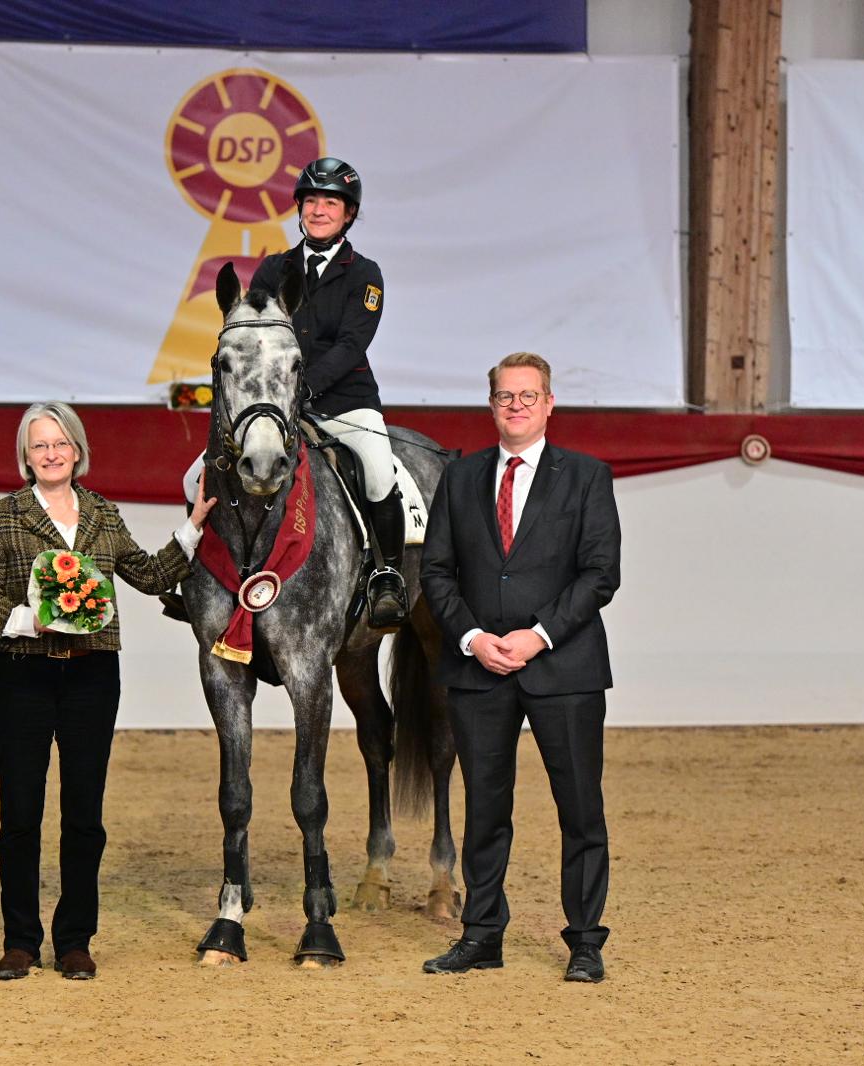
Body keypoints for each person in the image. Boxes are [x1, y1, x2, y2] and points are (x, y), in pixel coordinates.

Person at [0, 401, 216, 981]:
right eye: (38, 446)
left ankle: (75, 939)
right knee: (20, 815)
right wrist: (32, 620)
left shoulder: (104, 513)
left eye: (60, 444)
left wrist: (194, 524)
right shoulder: (1, 516)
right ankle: (20, 940)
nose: (50, 454)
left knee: (84, 814)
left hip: (92, 675)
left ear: (77, 451)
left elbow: (150, 576)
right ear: (25, 457)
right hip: (23, 675)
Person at [419, 352, 621, 983]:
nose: (516, 406)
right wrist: (474, 637)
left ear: (550, 404)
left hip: (565, 669)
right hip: (479, 671)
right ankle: (482, 934)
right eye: (505, 397)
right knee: (484, 808)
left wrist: (538, 637)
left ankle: (585, 942)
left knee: (580, 809)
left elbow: (600, 574)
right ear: (491, 406)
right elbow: (436, 572)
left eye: (528, 396)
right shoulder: (459, 478)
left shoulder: (587, 476)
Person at [173, 155, 407, 628]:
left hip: (344, 401)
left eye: (331, 203)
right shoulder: (272, 269)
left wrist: (306, 388)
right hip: (273, 405)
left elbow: (351, 344)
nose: (319, 210)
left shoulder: (365, 274)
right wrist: (274, 396)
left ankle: (386, 576)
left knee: (380, 472)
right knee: (192, 477)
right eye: (311, 201)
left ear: (349, 214)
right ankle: (198, 572)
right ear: (300, 208)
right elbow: (255, 338)